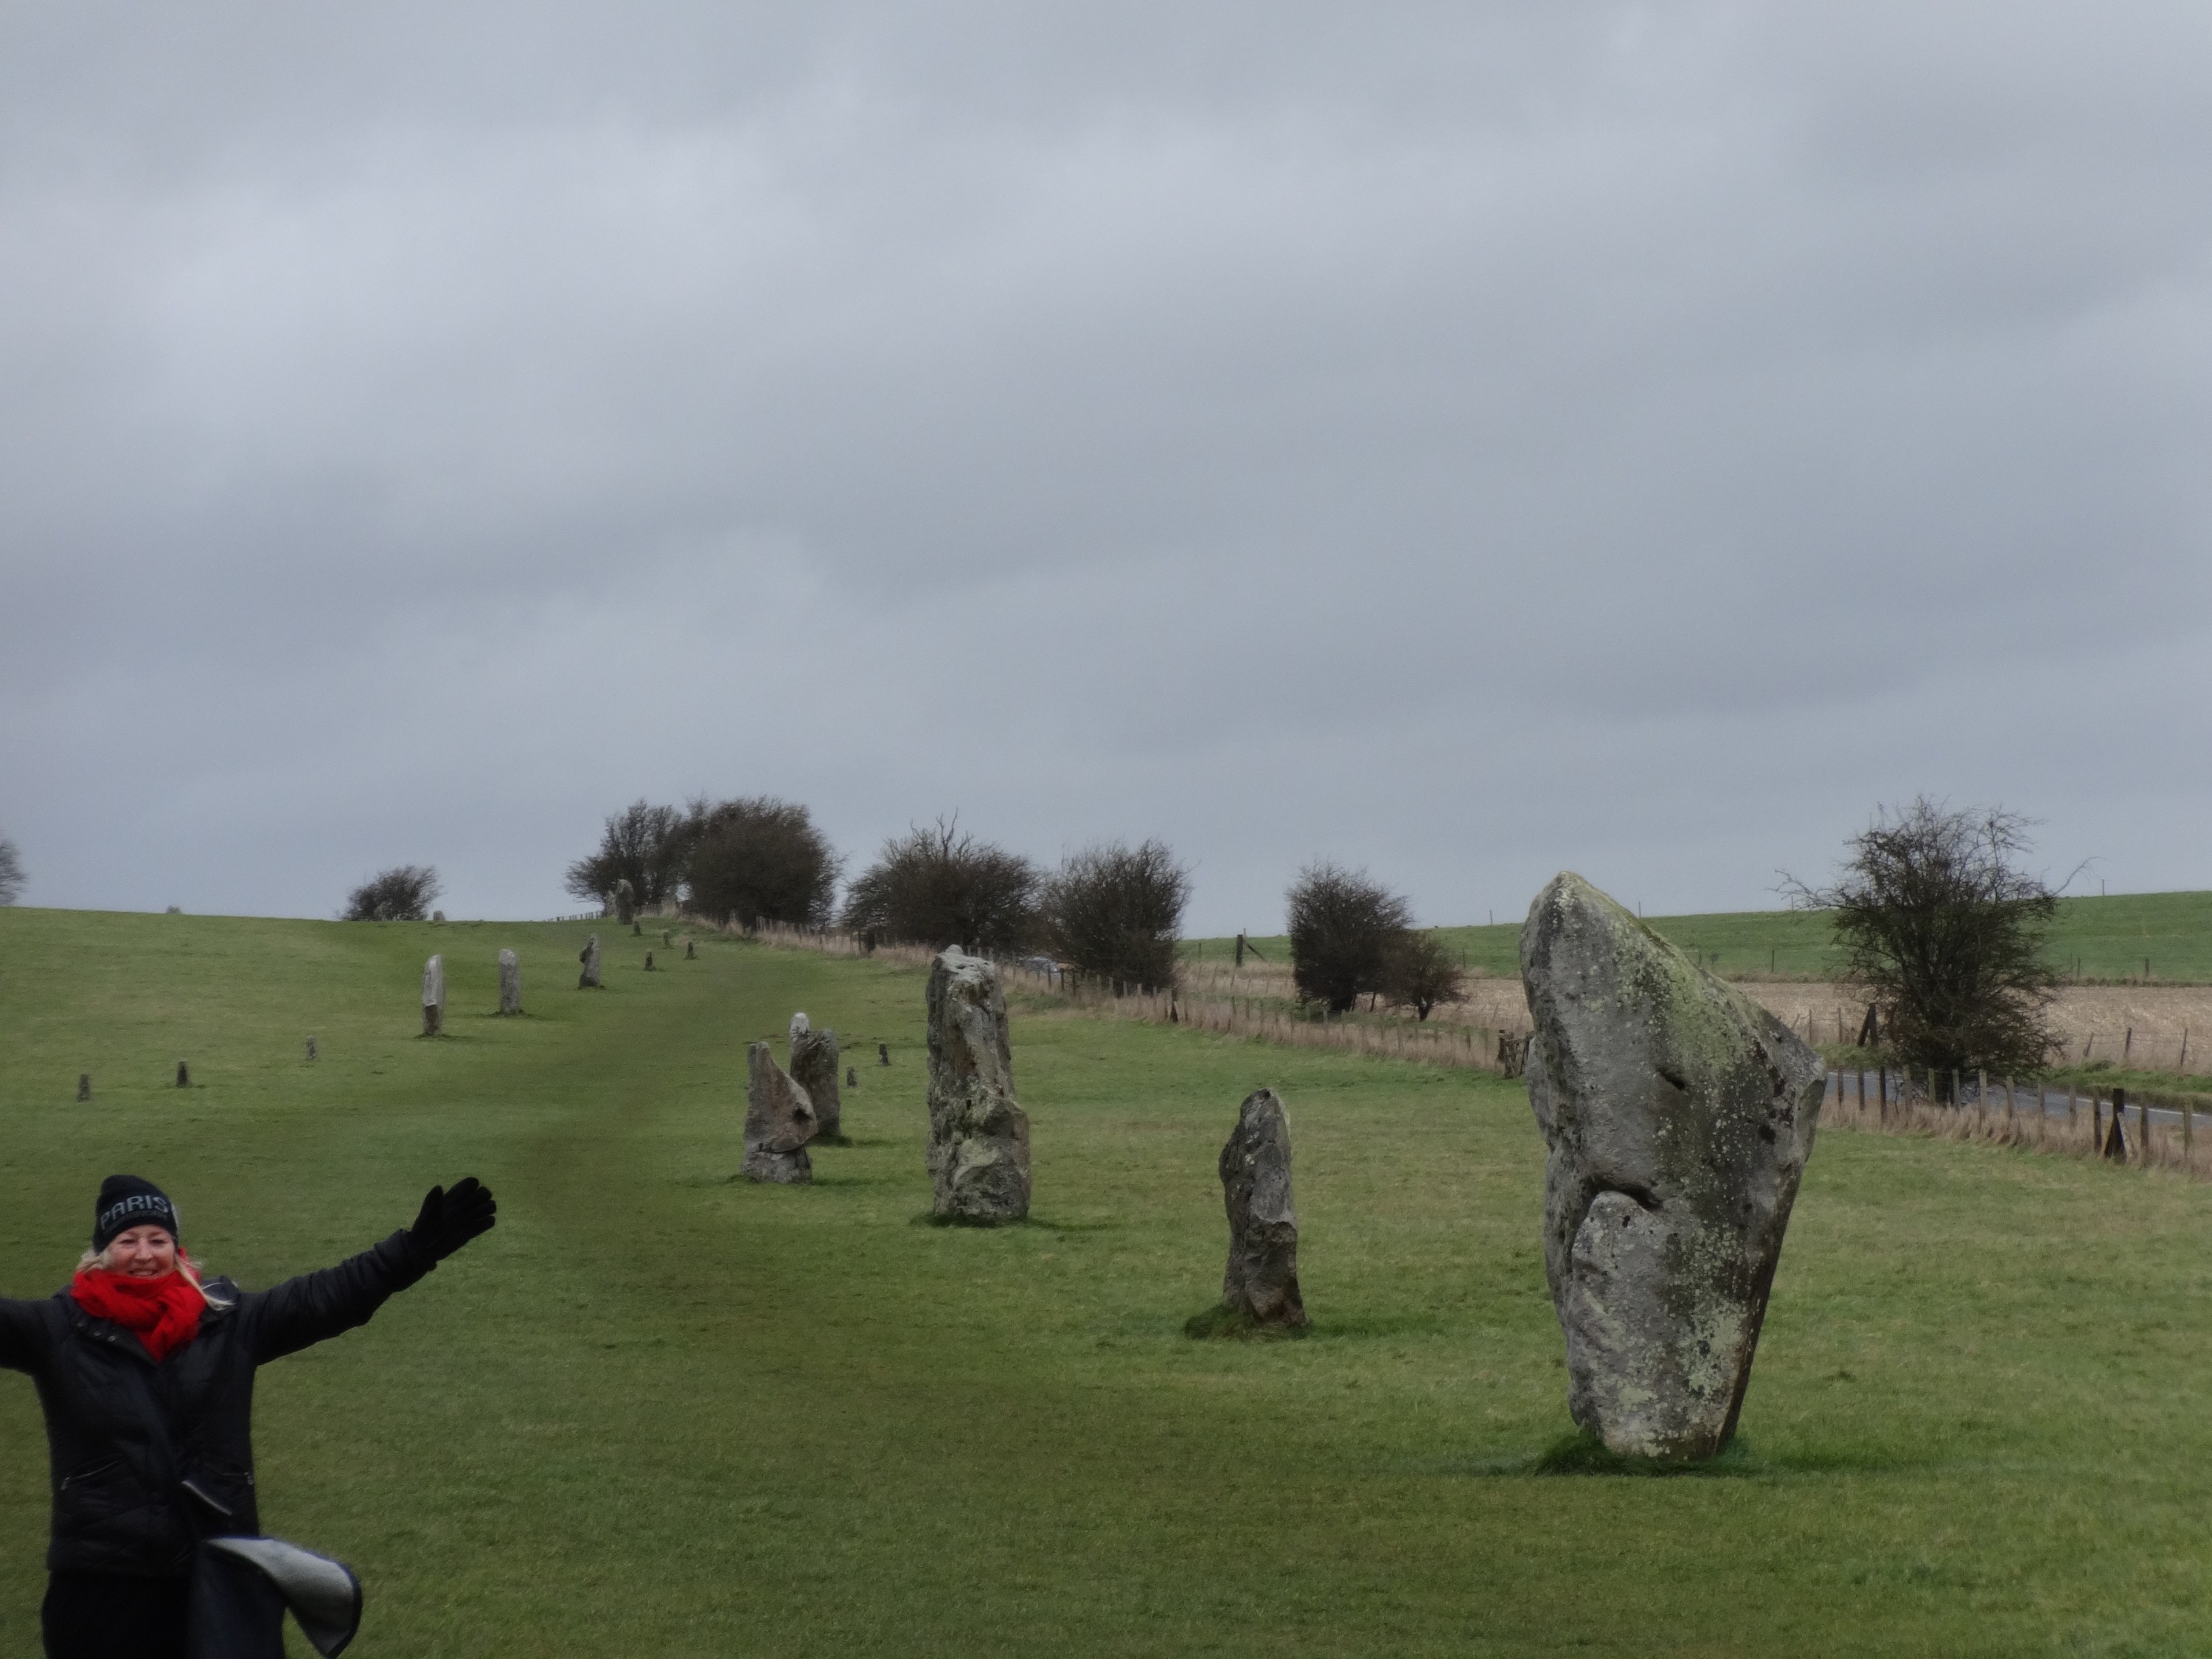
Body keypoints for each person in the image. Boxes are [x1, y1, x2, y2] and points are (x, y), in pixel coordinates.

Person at [0, 1172, 497, 1659]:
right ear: (102, 1253)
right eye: (128, 1240)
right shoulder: (58, 1331)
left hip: (215, 1576)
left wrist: (410, 1253)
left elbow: (323, 1299)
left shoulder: (226, 1321)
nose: (146, 1254)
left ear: (177, 1248)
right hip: (100, 1589)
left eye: (158, 1238)